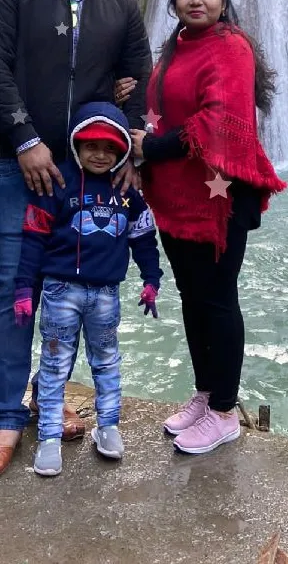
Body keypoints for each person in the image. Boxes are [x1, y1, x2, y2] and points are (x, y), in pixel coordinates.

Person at [0, 0, 152, 473]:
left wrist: (131, 154)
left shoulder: (122, 6)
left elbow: (136, 82)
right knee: (17, 293)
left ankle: (45, 398)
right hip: (17, 168)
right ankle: (8, 414)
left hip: (88, 179)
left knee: (68, 290)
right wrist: (25, 139)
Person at [131, 0, 287, 456]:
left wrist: (148, 149)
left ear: (223, 1)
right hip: (178, 196)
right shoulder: (175, 47)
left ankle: (225, 412)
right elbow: (163, 110)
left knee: (217, 299)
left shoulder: (231, 47)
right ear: (174, 1)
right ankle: (205, 393)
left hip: (220, 198)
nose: (197, 0)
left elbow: (217, 120)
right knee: (194, 298)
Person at [13, 101, 162, 476]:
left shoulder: (127, 191)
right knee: (54, 363)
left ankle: (108, 425)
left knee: (107, 361)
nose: (100, 154)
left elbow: (143, 238)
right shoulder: (58, 183)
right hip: (61, 291)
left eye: (110, 148)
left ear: (122, 152)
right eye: (91, 146)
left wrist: (151, 279)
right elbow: (33, 239)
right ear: (76, 145)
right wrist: (23, 289)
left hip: (106, 295)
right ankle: (48, 437)